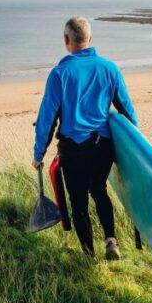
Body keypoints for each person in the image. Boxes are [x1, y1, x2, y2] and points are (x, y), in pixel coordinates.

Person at [32, 16, 136, 260]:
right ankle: (111, 240)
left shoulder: (60, 74)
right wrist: (134, 151)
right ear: (90, 39)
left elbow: (47, 118)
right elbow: (127, 111)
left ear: (66, 40)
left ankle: (89, 256)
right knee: (99, 190)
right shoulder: (109, 69)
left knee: (78, 203)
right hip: (103, 148)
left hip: (74, 150)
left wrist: (38, 154)